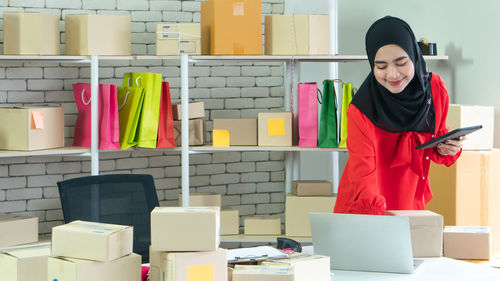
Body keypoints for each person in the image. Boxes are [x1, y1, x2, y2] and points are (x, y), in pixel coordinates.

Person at [334, 16, 463, 215]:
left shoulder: (435, 89)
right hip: (367, 208)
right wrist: (382, 224)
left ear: (414, 55)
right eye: (381, 66)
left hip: (410, 205)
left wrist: (447, 148)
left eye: (401, 63)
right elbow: (363, 177)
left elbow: (437, 138)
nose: (392, 75)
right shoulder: (361, 111)